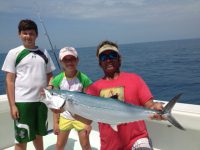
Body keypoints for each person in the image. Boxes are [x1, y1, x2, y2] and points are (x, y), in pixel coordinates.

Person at [86, 40, 164, 150]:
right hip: (109, 146)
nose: (108, 60)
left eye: (112, 55)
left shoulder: (135, 79)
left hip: (137, 140)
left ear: (119, 59)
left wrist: (155, 107)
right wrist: (63, 109)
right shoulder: (93, 88)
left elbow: (149, 105)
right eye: (104, 57)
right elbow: (87, 118)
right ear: (100, 62)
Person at [1, 19, 56, 150]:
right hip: (23, 103)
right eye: (25, 33)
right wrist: (12, 105)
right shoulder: (14, 53)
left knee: (39, 134)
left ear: (36, 35)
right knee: (21, 138)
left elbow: (50, 76)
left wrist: (50, 86)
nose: (28, 36)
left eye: (31, 33)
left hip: (41, 102)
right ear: (19, 34)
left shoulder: (44, 52)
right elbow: (9, 80)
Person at [49, 47, 92, 150]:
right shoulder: (57, 80)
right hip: (65, 117)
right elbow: (56, 104)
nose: (69, 62)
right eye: (65, 60)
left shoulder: (84, 79)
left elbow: (89, 104)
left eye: (72, 59)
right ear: (61, 62)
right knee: (59, 145)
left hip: (81, 117)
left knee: (85, 145)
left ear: (77, 60)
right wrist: (55, 123)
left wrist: (87, 123)